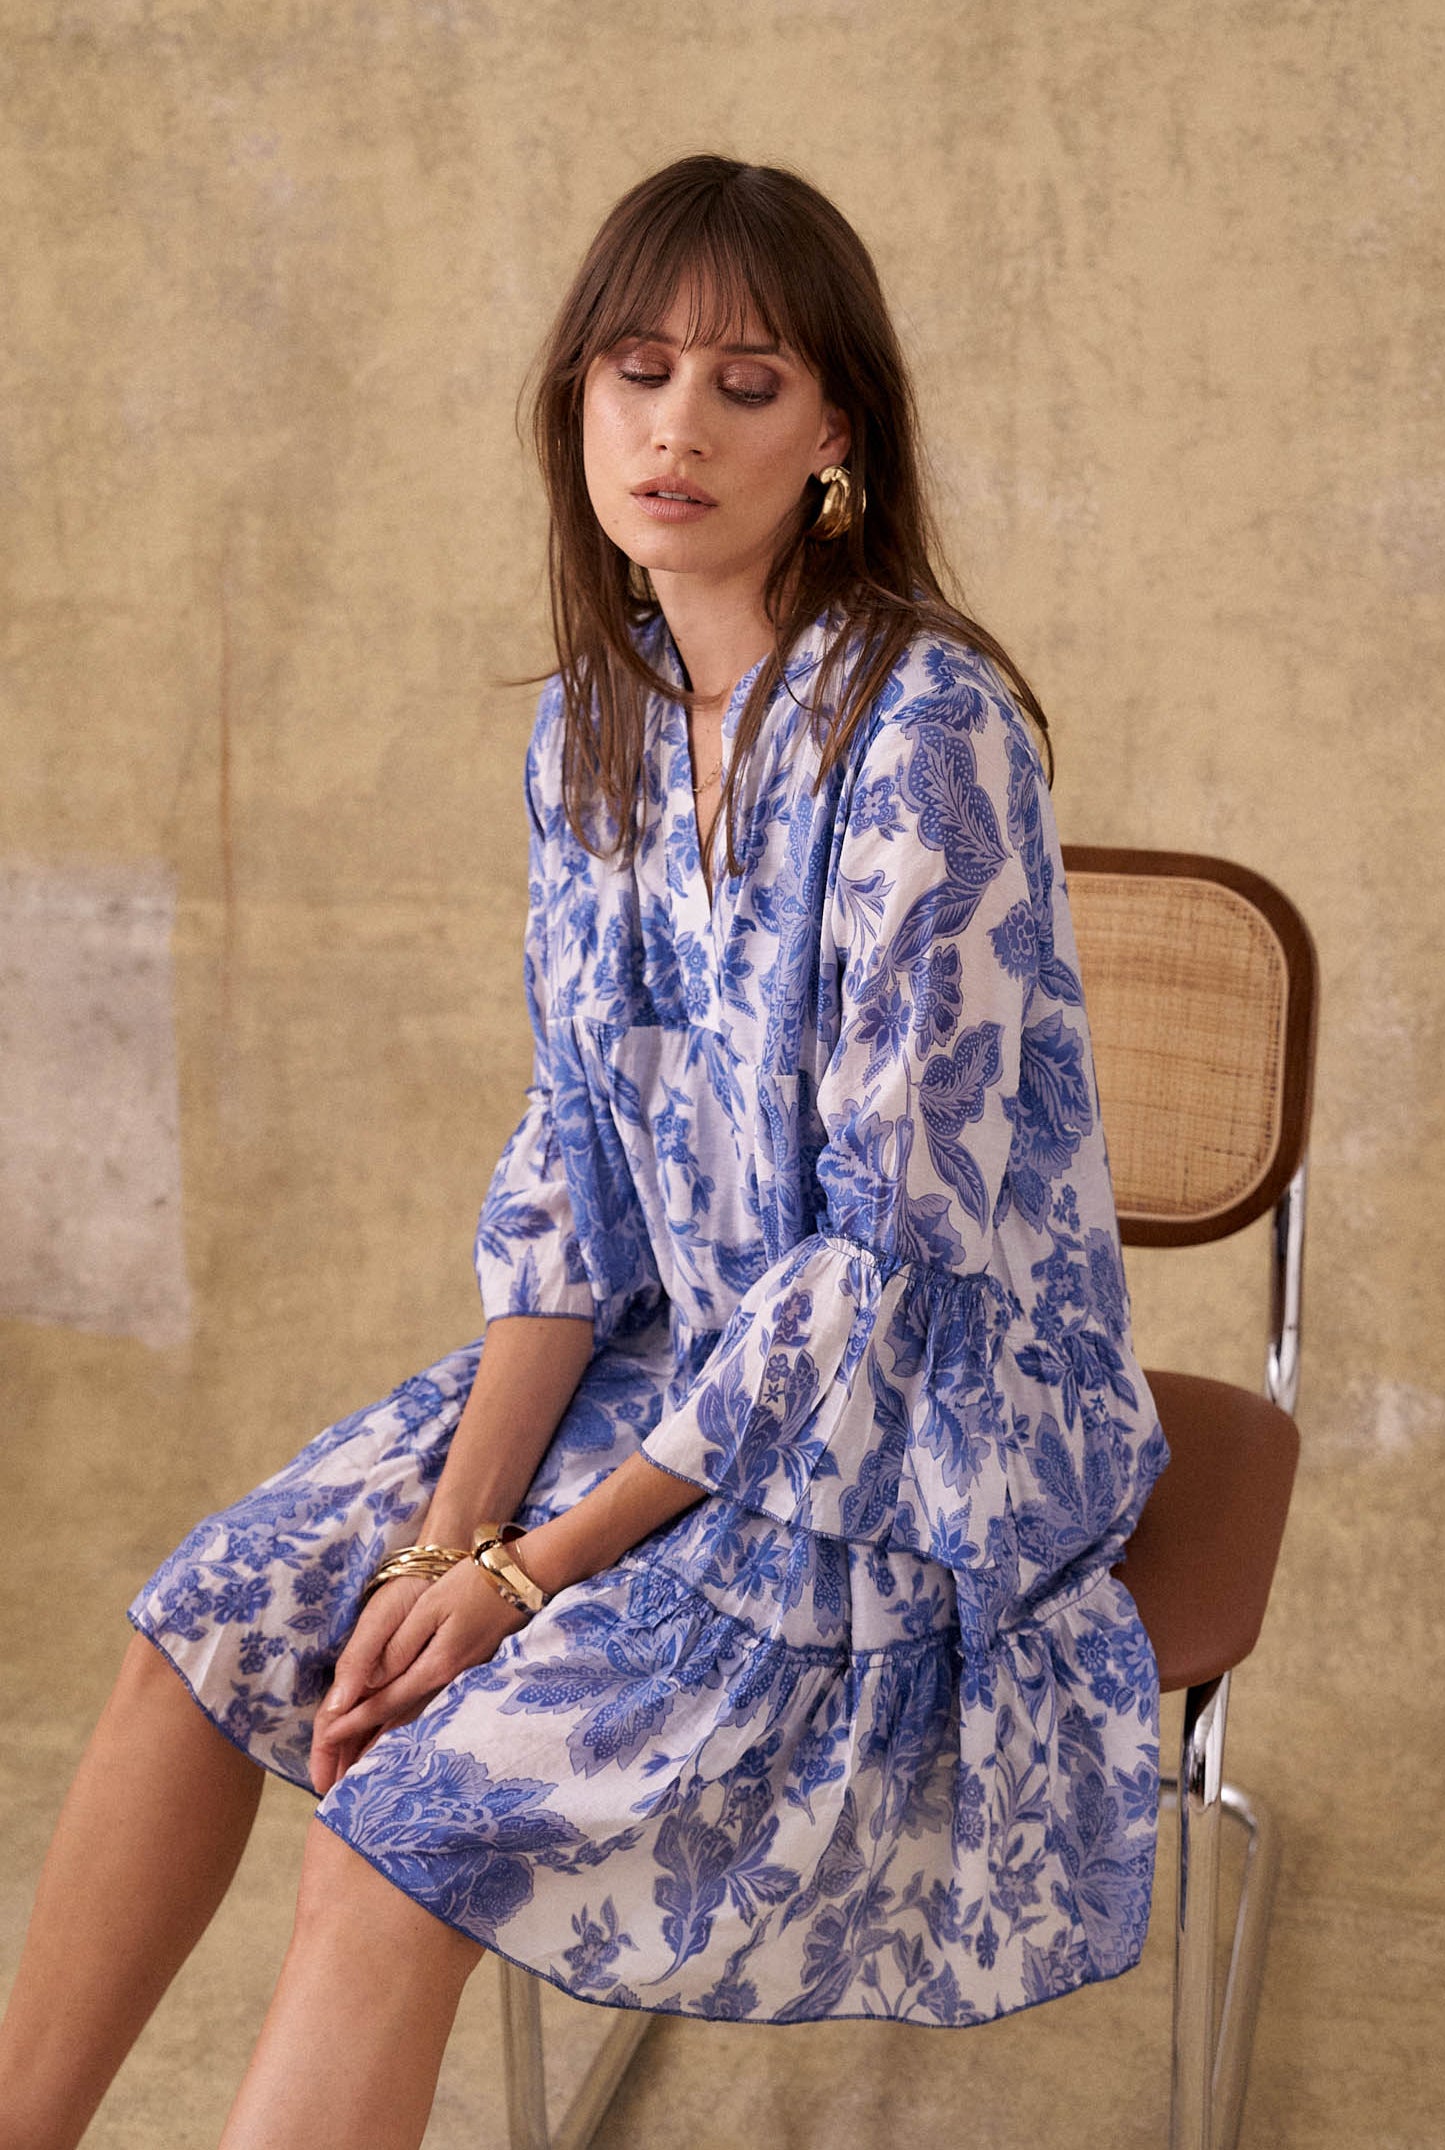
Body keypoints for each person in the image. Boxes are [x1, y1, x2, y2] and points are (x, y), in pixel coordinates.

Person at [0, 155, 1169, 2150]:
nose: (677, 427)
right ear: (578, 400)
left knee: (390, 1838)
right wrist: (449, 1539)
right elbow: (577, 1174)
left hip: (918, 1437)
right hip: (681, 1367)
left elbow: (881, 1266)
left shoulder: (928, 734)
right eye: (639, 371)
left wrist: (528, 1578)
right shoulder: (595, 726)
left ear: (836, 436)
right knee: (191, 1632)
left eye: (745, 382)